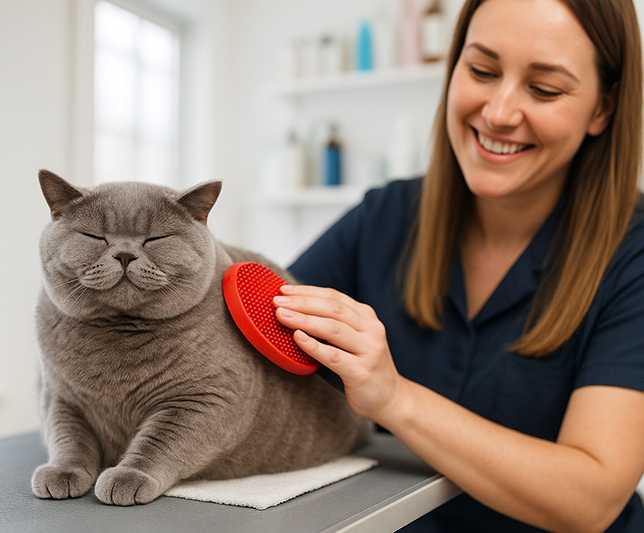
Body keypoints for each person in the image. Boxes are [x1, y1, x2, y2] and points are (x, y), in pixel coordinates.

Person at [273, 0, 644, 531]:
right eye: (482, 71)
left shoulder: (633, 257)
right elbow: (256, 323)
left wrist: (394, 397)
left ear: (603, 109)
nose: (498, 112)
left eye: (544, 89)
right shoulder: (386, 217)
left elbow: (591, 498)